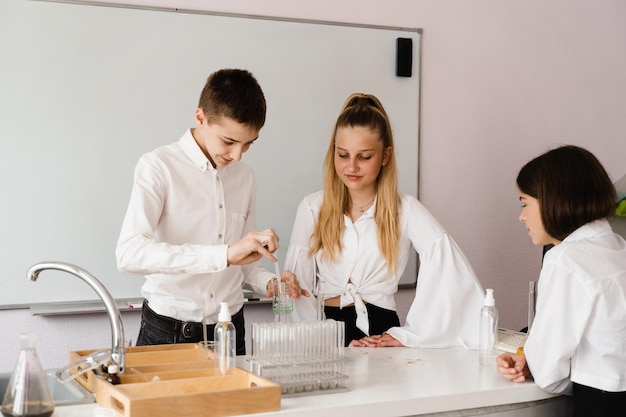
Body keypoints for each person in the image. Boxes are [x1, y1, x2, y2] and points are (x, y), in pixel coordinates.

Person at [116, 68, 305, 354]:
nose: (237, 155)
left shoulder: (244, 177)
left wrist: (270, 281)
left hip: (230, 332)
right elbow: (129, 254)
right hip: (169, 334)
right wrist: (224, 254)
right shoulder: (158, 167)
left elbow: (244, 263)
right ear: (200, 118)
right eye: (229, 142)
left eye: (248, 144)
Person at [284, 93, 484, 347]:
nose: (351, 166)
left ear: (385, 156)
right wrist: (323, 342)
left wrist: (409, 335)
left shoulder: (406, 210)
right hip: (323, 332)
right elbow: (296, 289)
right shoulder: (312, 207)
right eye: (343, 155)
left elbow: (448, 264)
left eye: (364, 157)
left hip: (380, 332)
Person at [496, 145, 626, 416]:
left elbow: (548, 371)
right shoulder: (617, 246)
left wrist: (533, 363)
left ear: (553, 200)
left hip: (601, 401)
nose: (521, 216)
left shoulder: (565, 259)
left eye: (524, 203)